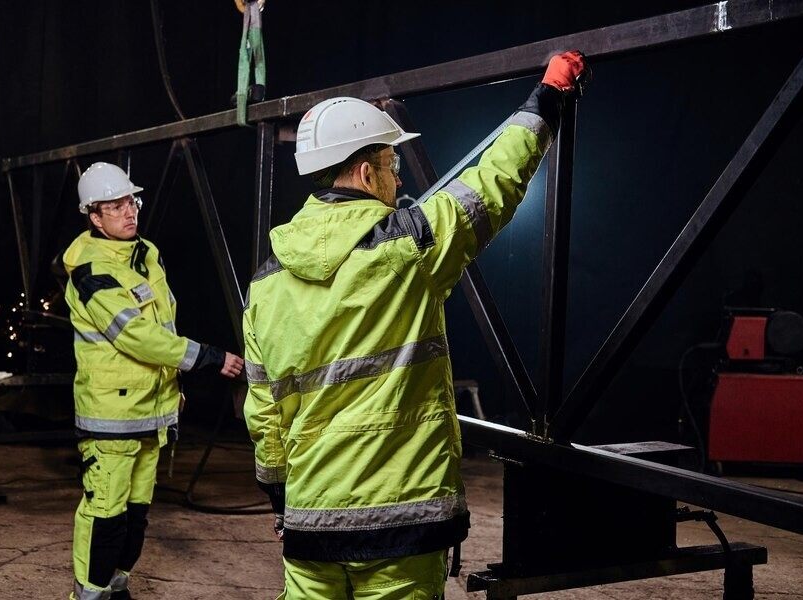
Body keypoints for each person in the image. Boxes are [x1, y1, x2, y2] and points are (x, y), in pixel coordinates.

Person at [243, 51, 587, 598]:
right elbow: (493, 183)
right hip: (402, 523)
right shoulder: (410, 244)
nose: (397, 176)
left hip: (311, 524)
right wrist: (545, 100)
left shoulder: (264, 284)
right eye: (391, 164)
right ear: (364, 171)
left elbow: (264, 413)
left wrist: (281, 500)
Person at [63, 162, 244, 600]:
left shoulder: (146, 254)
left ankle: (117, 586)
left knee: (136, 514)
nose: (129, 212)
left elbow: (163, 321)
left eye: (131, 201)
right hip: (112, 415)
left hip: (154, 411)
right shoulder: (91, 271)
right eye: (115, 205)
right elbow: (136, 337)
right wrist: (205, 357)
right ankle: (90, 594)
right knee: (106, 514)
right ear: (93, 215)